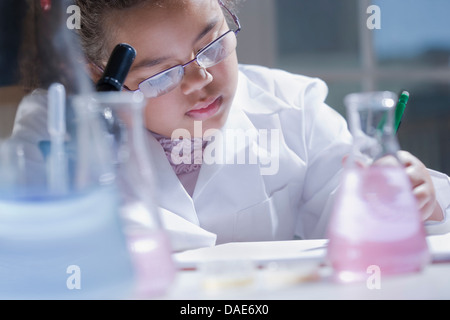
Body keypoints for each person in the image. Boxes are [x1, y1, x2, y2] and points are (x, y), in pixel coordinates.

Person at [12, 0, 450, 251]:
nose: (201, 81)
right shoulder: (55, 130)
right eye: (161, 74)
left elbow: (348, 202)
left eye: (213, 44)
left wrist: (409, 198)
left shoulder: (295, 106)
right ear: (97, 75)